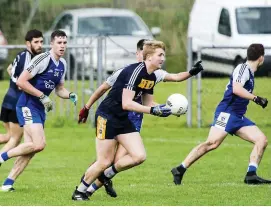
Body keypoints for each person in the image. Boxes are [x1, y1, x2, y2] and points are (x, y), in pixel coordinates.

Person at [72, 40, 203, 201]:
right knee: (104, 160)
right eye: (160, 55)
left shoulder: (152, 76)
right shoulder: (135, 72)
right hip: (107, 116)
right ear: (148, 57)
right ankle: (80, 191)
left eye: (164, 55)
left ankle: (106, 175)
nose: (163, 58)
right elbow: (127, 103)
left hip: (122, 119)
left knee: (139, 156)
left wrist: (166, 108)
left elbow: (149, 103)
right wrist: (86, 107)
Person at [171, 43, 271, 185]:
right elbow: (236, 89)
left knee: (262, 140)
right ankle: (180, 169)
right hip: (227, 113)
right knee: (212, 143)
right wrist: (256, 98)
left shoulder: (249, 71)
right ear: (261, 58)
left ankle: (251, 175)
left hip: (238, 116)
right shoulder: (243, 69)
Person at [0, 30, 78, 191]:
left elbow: (59, 89)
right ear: (52, 44)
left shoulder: (62, 64)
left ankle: (8, 183)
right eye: (59, 43)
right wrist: (42, 96)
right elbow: (21, 81)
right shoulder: (42, 59)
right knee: (39, 144)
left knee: (31, 148)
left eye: (64, 43)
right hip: (27, 105)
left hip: (40, 109)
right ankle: (2, 157)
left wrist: (69, 94)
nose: (62, 46)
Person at [0, 29, 43, 149]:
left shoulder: (21, 55)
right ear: (28, 43)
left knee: (9, 137)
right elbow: (21, 84)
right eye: (36, 42)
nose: (39, 45)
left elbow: (10, 69)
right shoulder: (28, 59)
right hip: (16, 103)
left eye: (41, 41)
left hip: (8, 100)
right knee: (15, 139)